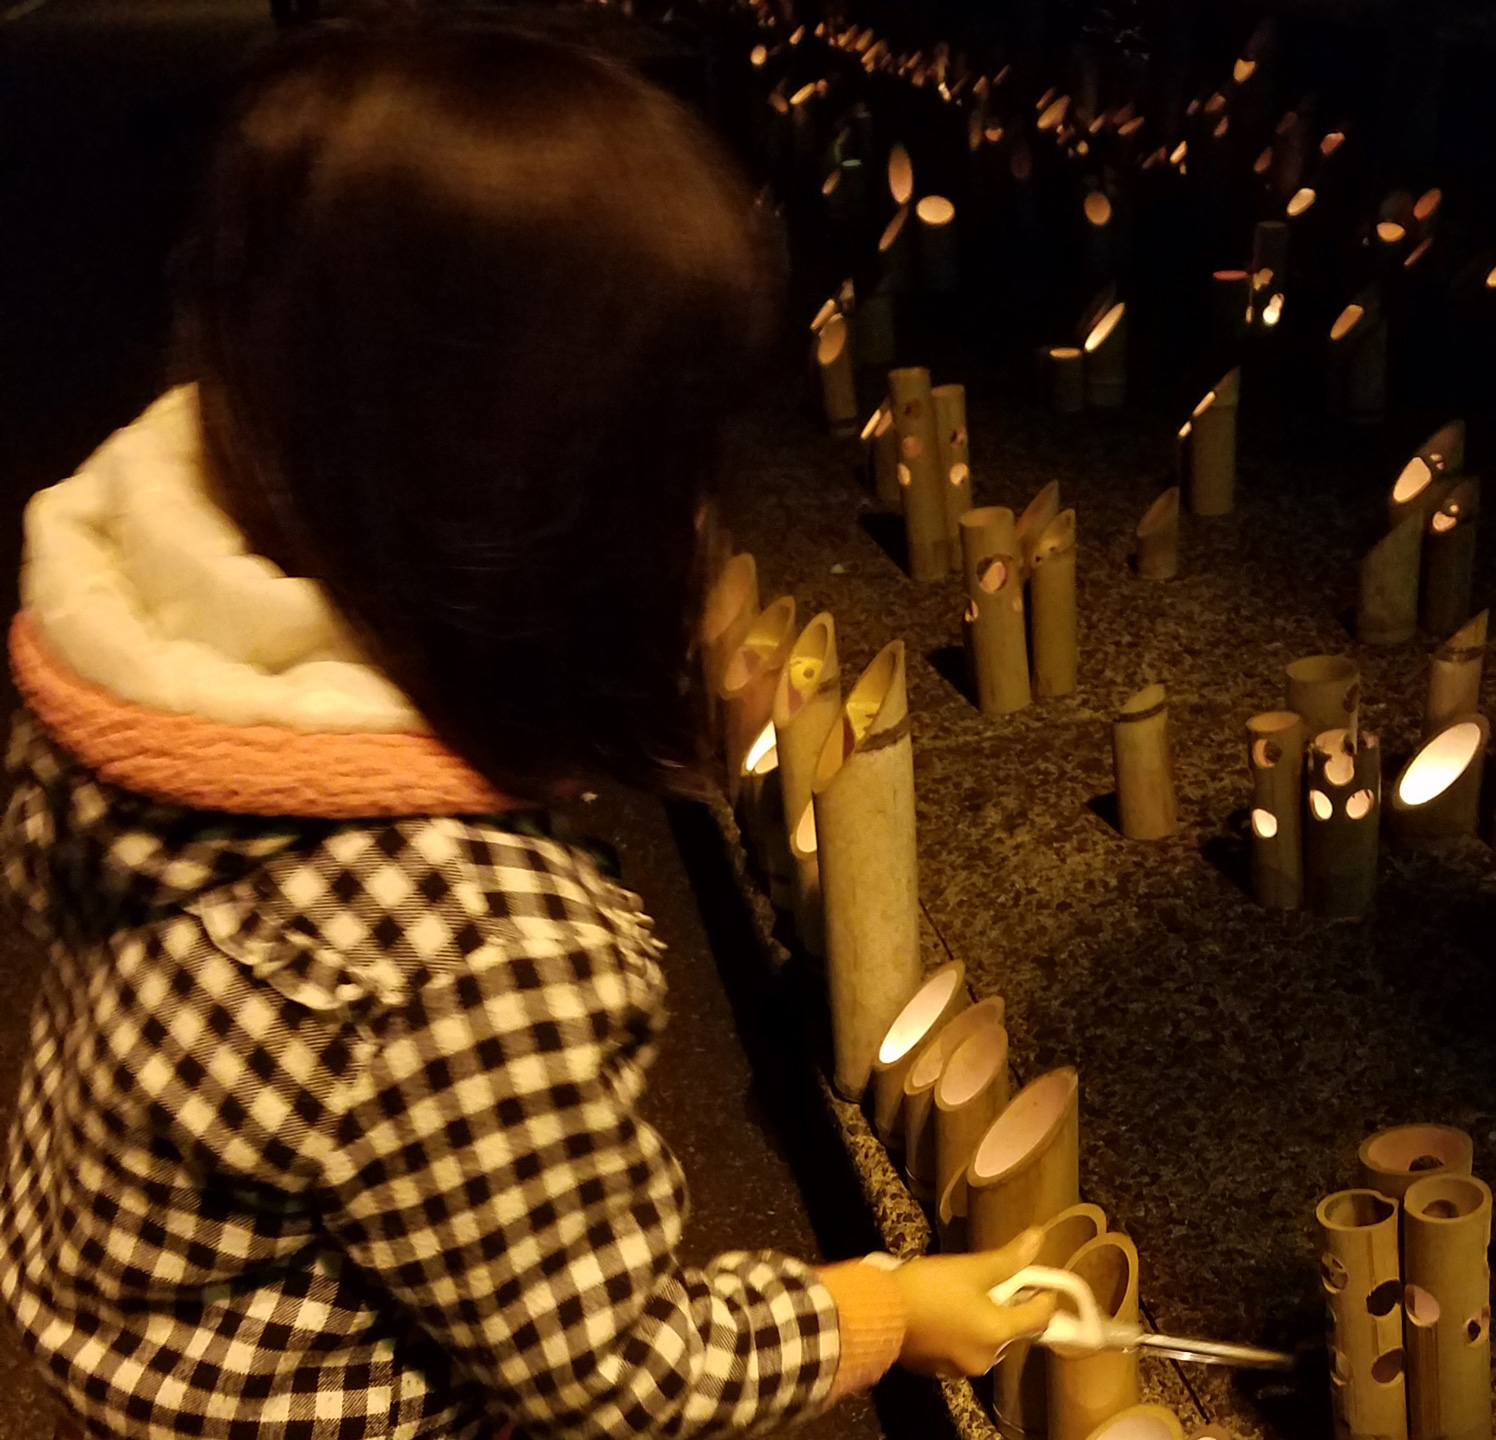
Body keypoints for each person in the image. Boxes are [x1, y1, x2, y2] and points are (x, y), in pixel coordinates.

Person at [0, 15, 1053, 1437]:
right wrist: (885, 1308)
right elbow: (611, 1371)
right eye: (659, 464)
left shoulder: (147, 668)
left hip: (131, 1340)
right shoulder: (474, 946)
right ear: (532, 520)